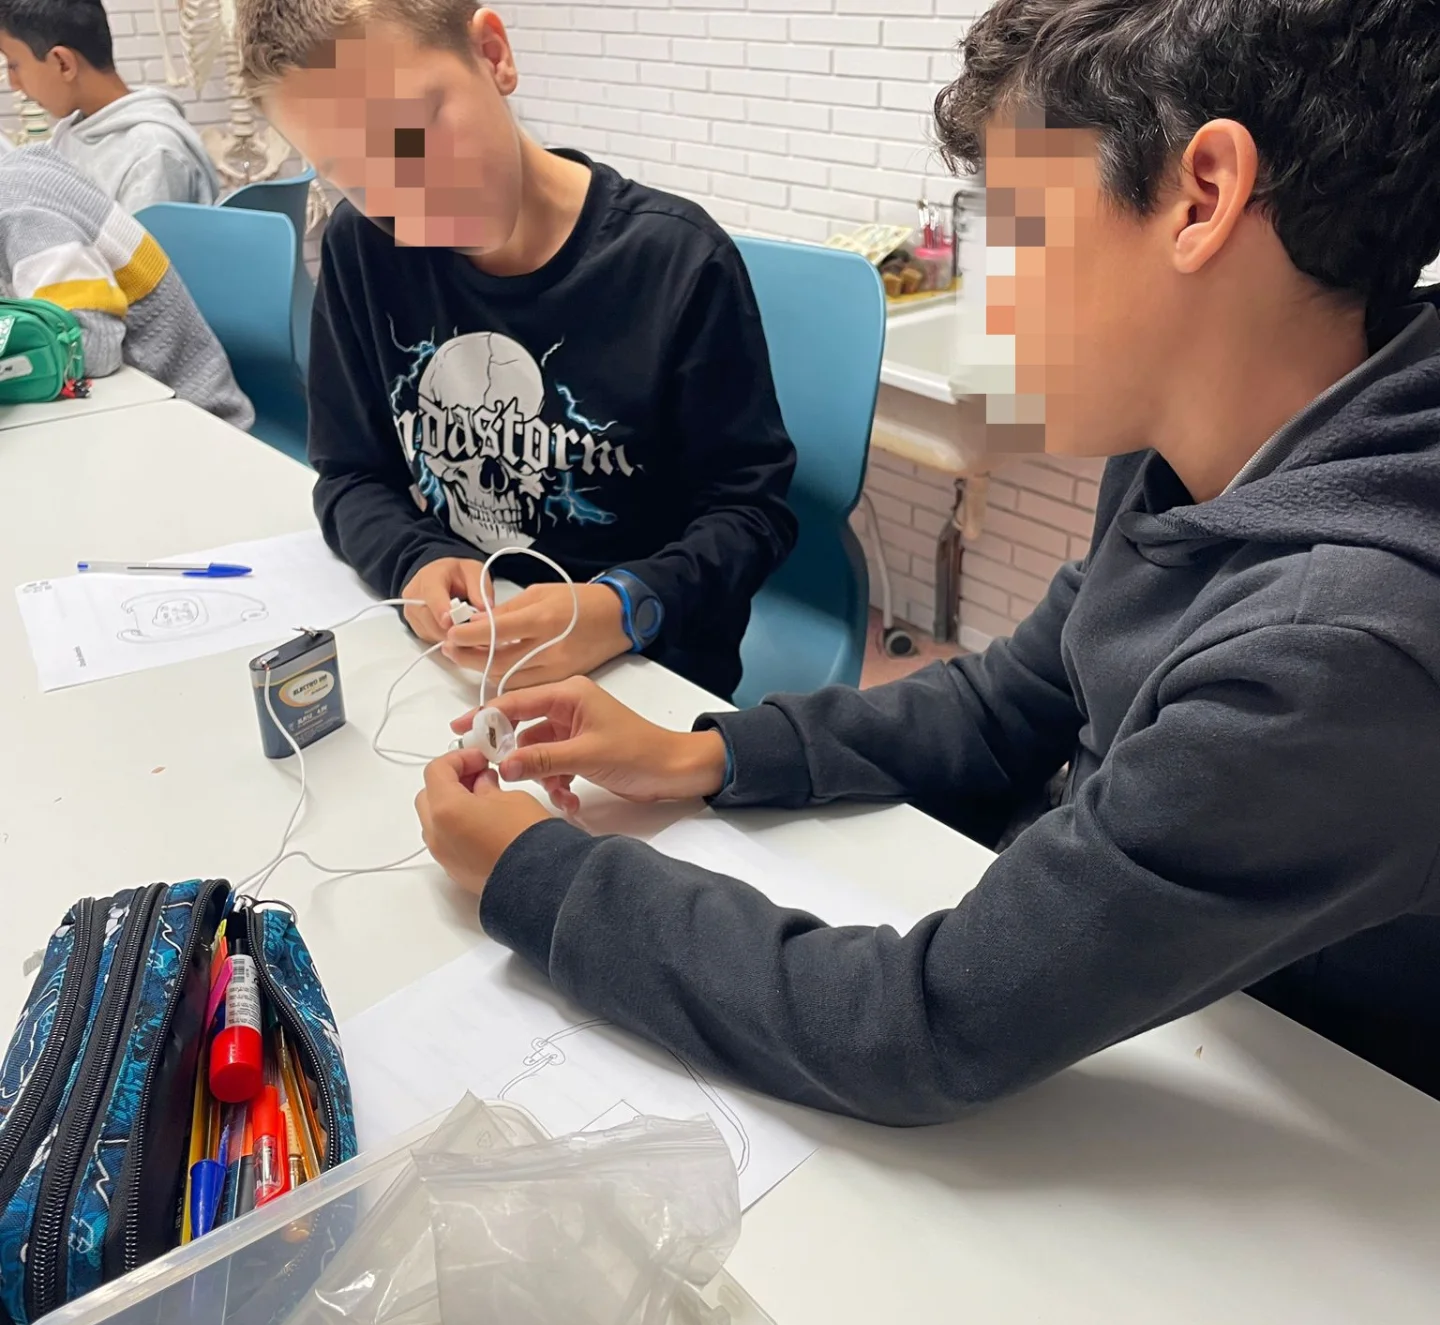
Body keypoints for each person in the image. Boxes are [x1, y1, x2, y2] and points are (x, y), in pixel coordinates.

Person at [414, 0, 1440, 1122]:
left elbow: (924, 1025)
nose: (992, 297)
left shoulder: (1332, 651)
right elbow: (1013, 700)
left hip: (1321, 1118)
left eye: (1018, 230)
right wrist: (705, 752)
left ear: (1203, 197)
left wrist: (539, 877)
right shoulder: (1197, 451)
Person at [233, 1, 796, 702]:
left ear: (492, 54)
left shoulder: (676, 261)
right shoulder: (363, 247)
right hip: (461, 665)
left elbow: (751, 513)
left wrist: (625, 607)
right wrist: (414, 559)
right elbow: (350, 474)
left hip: (646, 674)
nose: (406, 194)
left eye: (413, 130)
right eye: (350, 170)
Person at [0, 146, 252, 426]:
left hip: (193, 416)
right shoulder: (17, 173)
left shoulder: (23, 217)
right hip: (128, 408)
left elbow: (95, 347)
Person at [0, 0, 219, 210]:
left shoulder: (153, 153)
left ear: (63, 63)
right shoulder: (71, 133)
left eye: (13, 65)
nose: (14, 84)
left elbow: (141, 239)